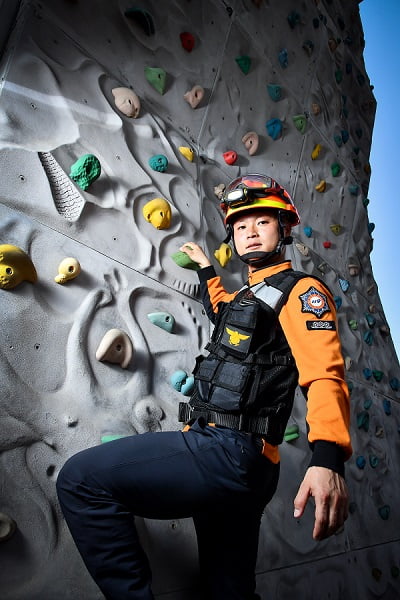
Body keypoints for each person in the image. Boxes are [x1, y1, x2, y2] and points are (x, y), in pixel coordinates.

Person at [56, 173, 352, 600]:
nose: (249, 231)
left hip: (229, 449)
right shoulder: (249, 297)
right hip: (243, 464)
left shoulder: (301, 291)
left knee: (81, 481)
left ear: (283, 229)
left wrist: (328, 459)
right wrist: (206, 269)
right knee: (226, 591)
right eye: (240, 226)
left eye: (262, 222)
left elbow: (325, 373)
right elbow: (223, 310)